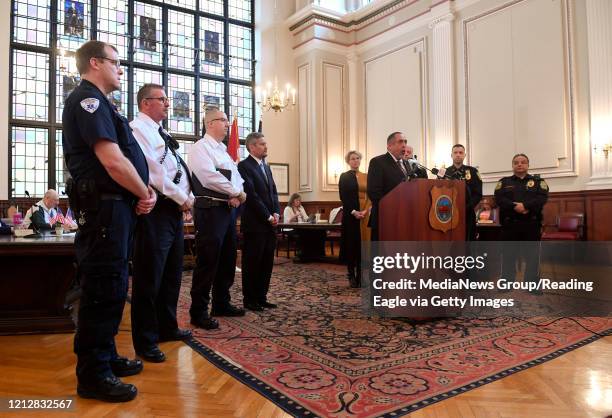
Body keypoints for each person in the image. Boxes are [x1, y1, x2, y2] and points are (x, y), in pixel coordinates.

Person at [62, 40, 156, 402]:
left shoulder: (104, 104)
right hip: (104, 210)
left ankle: (107, 356)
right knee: (102, 289)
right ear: (96, 63)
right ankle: (93, 375)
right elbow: (113, 161)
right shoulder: (87, 101)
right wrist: (145, 193)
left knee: (115, 287)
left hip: (116, 209)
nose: (121, 69)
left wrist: (139, 190)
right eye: (117, 63)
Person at [129, 84, 193, 363]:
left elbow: (177, 168)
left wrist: (187, 197)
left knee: (171, 273)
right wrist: (182, 197)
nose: (168, 104)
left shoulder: (159, 131)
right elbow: (151, 170)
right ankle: (145, 340)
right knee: (149, 276)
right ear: (145, 103)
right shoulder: (137, 129)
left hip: (174, 209)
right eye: (162, 99)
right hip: (156, 209)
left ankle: (167, 327)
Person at [188, 107, 246, 330]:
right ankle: (199, 310)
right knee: (208, 261)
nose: (227, 124)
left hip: (228, 211)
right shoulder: (200, 148)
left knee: (227, 259)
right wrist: (235, 192)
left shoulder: (223, 150)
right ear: (210, 123)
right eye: (222, 120)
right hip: (210, 211)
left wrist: (237, 195)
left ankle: (222, 302)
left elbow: (238, 177)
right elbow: (209, 177)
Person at [237, 132, 281, 311]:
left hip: (270, 224)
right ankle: (250, 300)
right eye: (262, 144)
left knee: (266, 263)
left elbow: (274, 192)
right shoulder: (244, 166)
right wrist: (267, 216)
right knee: (252, 263)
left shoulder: (266, 166)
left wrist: (277, 212)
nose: (266, 147)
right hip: (255, 224)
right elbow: (252, 196)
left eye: (265, 143)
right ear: (252, 147)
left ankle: (262, 297)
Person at [494, 153, 548, 285]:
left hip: (531, 224)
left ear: (528, 165)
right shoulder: (504, 182)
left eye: (523, 162)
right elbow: (499, 199)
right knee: (508, 255)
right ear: (512, 165)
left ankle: (532, 284)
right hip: (510, 225)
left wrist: (526, 206)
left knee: (532, 256)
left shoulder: (538, 182)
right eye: (516, 162)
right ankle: (506, 282)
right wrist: (515, 206)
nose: (519, 164)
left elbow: (542, 198)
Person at [366, 131, 409, 241]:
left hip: (404, 217)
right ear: (389, 145)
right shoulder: (378, 162)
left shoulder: (406, 164)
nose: (404, 145)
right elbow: (374, 192)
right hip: (384, 218)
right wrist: (392, 209)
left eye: (405, 142)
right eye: (400, 142)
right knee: (383, 255)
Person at [338, 150, 371, 288]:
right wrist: (354, 212)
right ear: (348, 161)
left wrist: (365, 210)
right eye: (353, 159)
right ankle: (351, 274)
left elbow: (371, 195)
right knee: (352, 245)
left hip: (365, 214)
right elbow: (343, 197)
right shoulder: (344, 176)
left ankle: (361, 274)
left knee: (363, 245)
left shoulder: (367, 176)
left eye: (358, 158)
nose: (356, 161)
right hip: (351, 215)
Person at [445, 144, 483, 240]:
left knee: (468, 242)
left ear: (464, 155)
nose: (458, 155)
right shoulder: (444, 172)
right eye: (455, 152)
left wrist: (465, 208)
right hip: (449, 214)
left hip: (467, 213)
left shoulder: (473, 172)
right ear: (451, 155)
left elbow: (478, 194)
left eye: (461, 153)